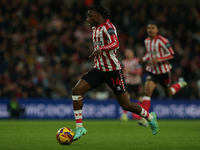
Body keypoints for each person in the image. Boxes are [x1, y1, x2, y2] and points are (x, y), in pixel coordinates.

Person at [71, 5, 159, 141]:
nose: (87, 19)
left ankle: (151, 117)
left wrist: (102, 49)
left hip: (113, 71)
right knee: (76, 91)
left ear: (98, 16)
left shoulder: (109, 27)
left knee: (126, 105)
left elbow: (116, 43)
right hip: (99, 69)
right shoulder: (94, 28)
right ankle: (79, 128)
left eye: (90, 16)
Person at [138, 21, 187, 126]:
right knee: (147, 93)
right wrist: (143, 59)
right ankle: (145, 118)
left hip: (164, 71)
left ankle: (180, 84)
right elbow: (149, 54)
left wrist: (159, 60)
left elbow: (172, 54)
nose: (150, 30)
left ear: (157, 30)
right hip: (152, 71)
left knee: (168, 93)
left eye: (152, 28)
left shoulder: (162, 40)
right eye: (149, 28)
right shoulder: (147, 41)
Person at [120, 48, 143, 121]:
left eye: (129, 52)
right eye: (126, 53)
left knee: (140, 99)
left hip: (136, 83)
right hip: (128, 82)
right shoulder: (123, 62)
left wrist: (130, 71)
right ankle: (124, 116)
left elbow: (139, 72)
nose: (127, 54)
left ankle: (144, 114)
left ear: (132, 53)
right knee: (126, 98)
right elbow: (123, 72)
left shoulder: (136, 61)